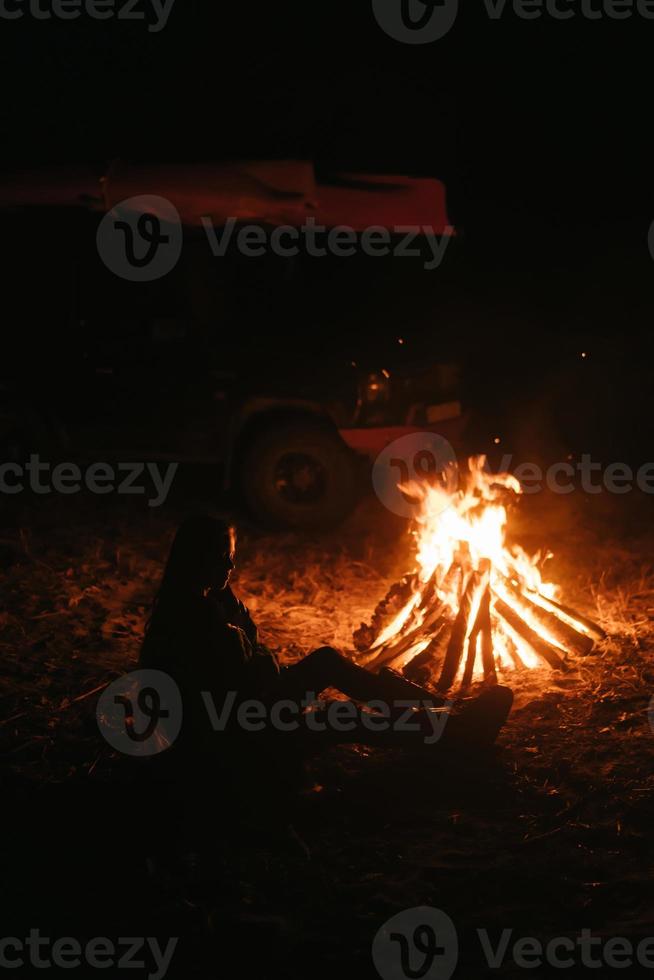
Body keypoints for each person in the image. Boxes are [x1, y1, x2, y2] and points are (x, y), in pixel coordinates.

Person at [140, 515, 513, 775]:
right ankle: (454, 735)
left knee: (326, 662)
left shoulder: (207, 598)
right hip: (235, 736)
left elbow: (252, 653)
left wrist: (231, 605)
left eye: (232, 558)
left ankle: (449, 716)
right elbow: (237, 681)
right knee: (341, 716)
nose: (230, 567)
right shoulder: (193, 619)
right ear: (197, 560)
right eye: (222, 558)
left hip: (251, 708)